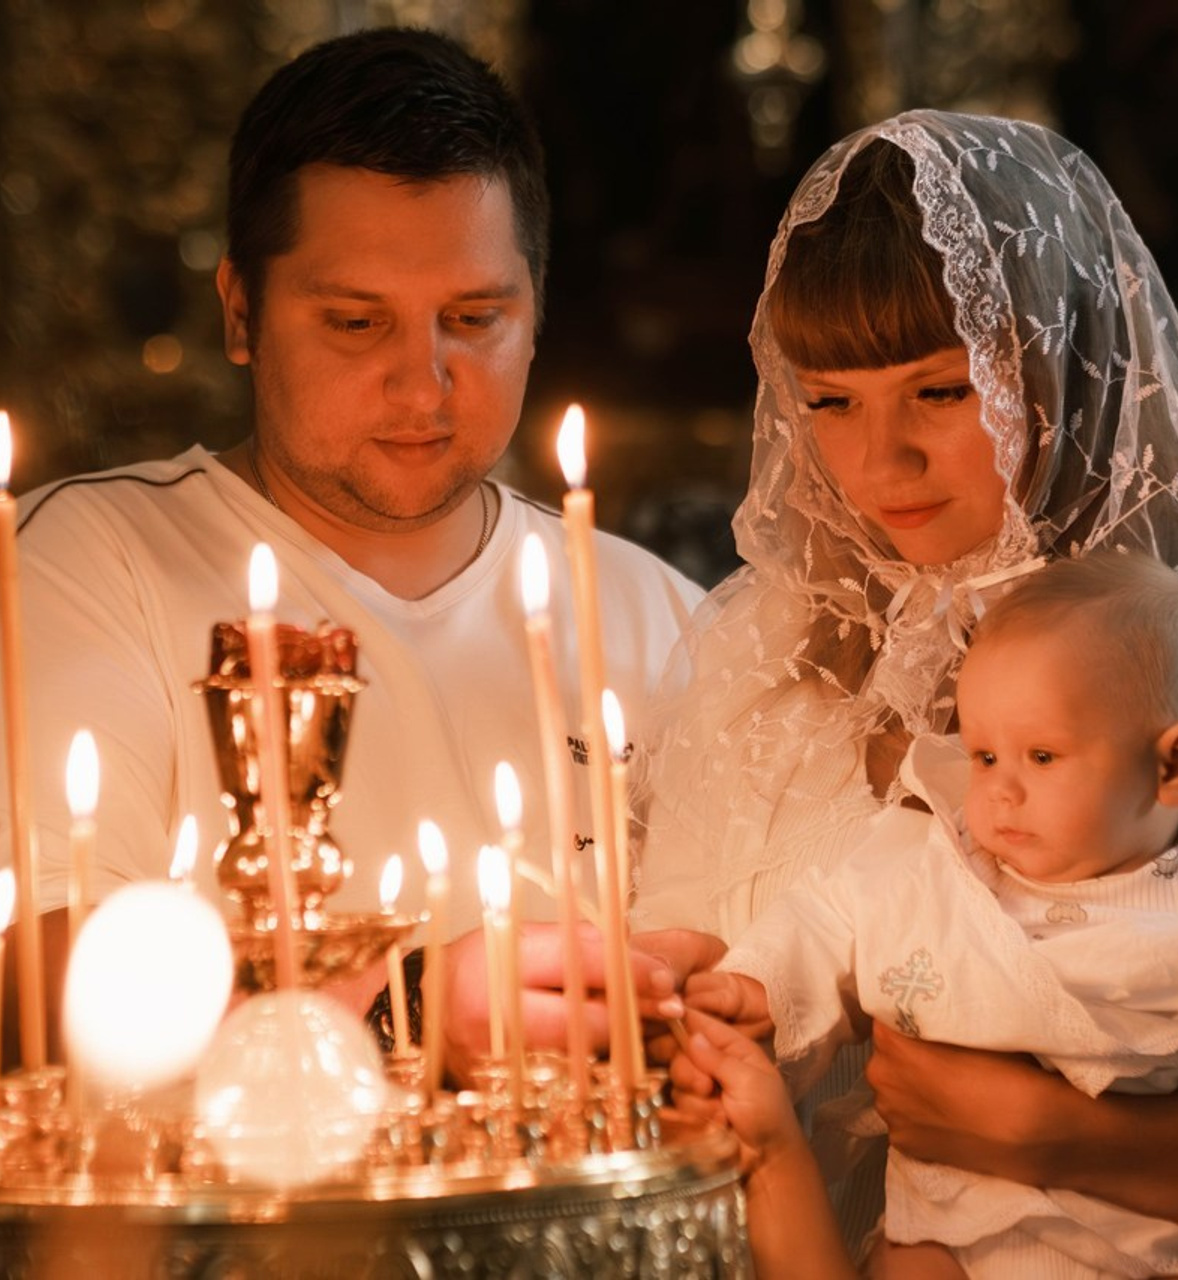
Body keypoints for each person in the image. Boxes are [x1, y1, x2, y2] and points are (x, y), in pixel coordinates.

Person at [631, 112, 1178, 1255]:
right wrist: (678, 998)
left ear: (1061, 358)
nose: (880, 463)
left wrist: (1062, 1137)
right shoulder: (762, 668)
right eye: (829, 401)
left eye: (937, 392)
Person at [0, 26, 703, 1073]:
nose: (422, 386)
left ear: (537, 306)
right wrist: (409, 1013)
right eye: (355, 324)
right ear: (242, 312)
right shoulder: (91, 561)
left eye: (473, 317)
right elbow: (43, 970)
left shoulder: (661, 616)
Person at [671, 550, 1178, 1279]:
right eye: (986, 755)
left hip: (1143, 1242)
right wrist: (757, 985)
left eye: (1043, 757)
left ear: (1176, 766)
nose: (998, 793)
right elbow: (836, 913)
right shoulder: (949, 862)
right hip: (948, 1227)